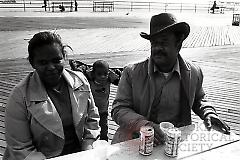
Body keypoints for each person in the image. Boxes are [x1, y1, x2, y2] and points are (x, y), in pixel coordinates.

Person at [111, 13, 230, 145]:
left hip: (175, 141)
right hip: (136, 139)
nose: (157, 48)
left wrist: (208, 113)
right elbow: (119, 109)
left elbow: (199, 99)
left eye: (163, 43)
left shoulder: (194, 73)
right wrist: (144, 125)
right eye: (154, 43)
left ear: (178, 44)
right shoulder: (131, 72)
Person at [3, 31, 100, 159]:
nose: (51, 67)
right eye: (43, 62)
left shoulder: (80, 81)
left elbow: (92, 121)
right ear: (32, 63)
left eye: (56, 60)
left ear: (64, 57)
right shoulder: (20, 95)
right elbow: (20, 147)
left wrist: (87, 150)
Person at [70, 60, 121, 141]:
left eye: (105, 74)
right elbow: (79, 73)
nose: (103, 77)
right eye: (99, 74)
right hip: (90, 111)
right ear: (93, 73)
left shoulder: (109, 79)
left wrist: (112, 74)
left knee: (104, 129)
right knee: (89, 129)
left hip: (103, 111)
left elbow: (119, 79)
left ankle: (104, 143)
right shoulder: (89, 79)